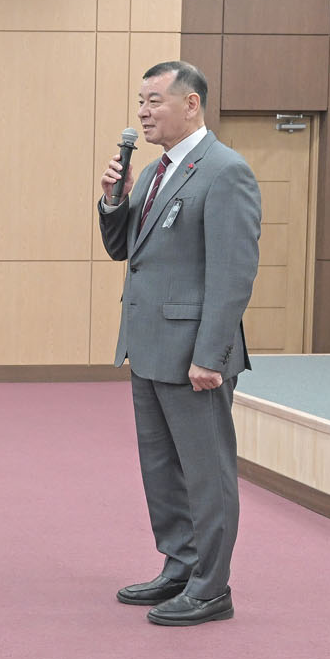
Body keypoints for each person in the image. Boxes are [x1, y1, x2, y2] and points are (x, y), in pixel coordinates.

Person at [98, 60, 261, 627]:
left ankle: (212, 588)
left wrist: (210, 356)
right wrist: (113, 202)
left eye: (154, 101)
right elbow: (125, 251)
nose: (143, 113)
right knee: (162, 470)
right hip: (148, 347)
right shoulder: (151, 172)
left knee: (206, 474)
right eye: (140, 102)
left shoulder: (225, 171)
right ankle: (180, 565)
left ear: (191, 104)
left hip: (195, 356)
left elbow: (233, 274)